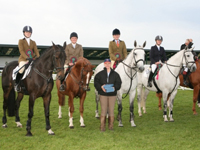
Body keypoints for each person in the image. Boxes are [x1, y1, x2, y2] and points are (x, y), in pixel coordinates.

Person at [94, 58, 122, 131]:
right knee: (103, 110)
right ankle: (102, 127)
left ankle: (111, 126)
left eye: (108, 63)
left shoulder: (116, 75)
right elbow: (96, 82)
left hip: (112, 95)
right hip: (103, 94)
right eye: (106, 63)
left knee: (111, 111)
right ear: (104, 64)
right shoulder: (99, 74)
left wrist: (114, 87)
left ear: (110, 64)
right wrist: (101, 87)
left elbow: (119, 83)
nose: (107, 65)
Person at [15, 26, 40, 92]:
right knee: (21, 69)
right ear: (24, 33)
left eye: (29, 32)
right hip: (23, 59)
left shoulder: (33, 42)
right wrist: (27, 58)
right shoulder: (21, 41)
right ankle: (17, 84)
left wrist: (38, 57)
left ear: (31, 33)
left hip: (32, 59)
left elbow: (36, 51)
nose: (28, 33)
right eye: (26, 32)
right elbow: (21, 51)